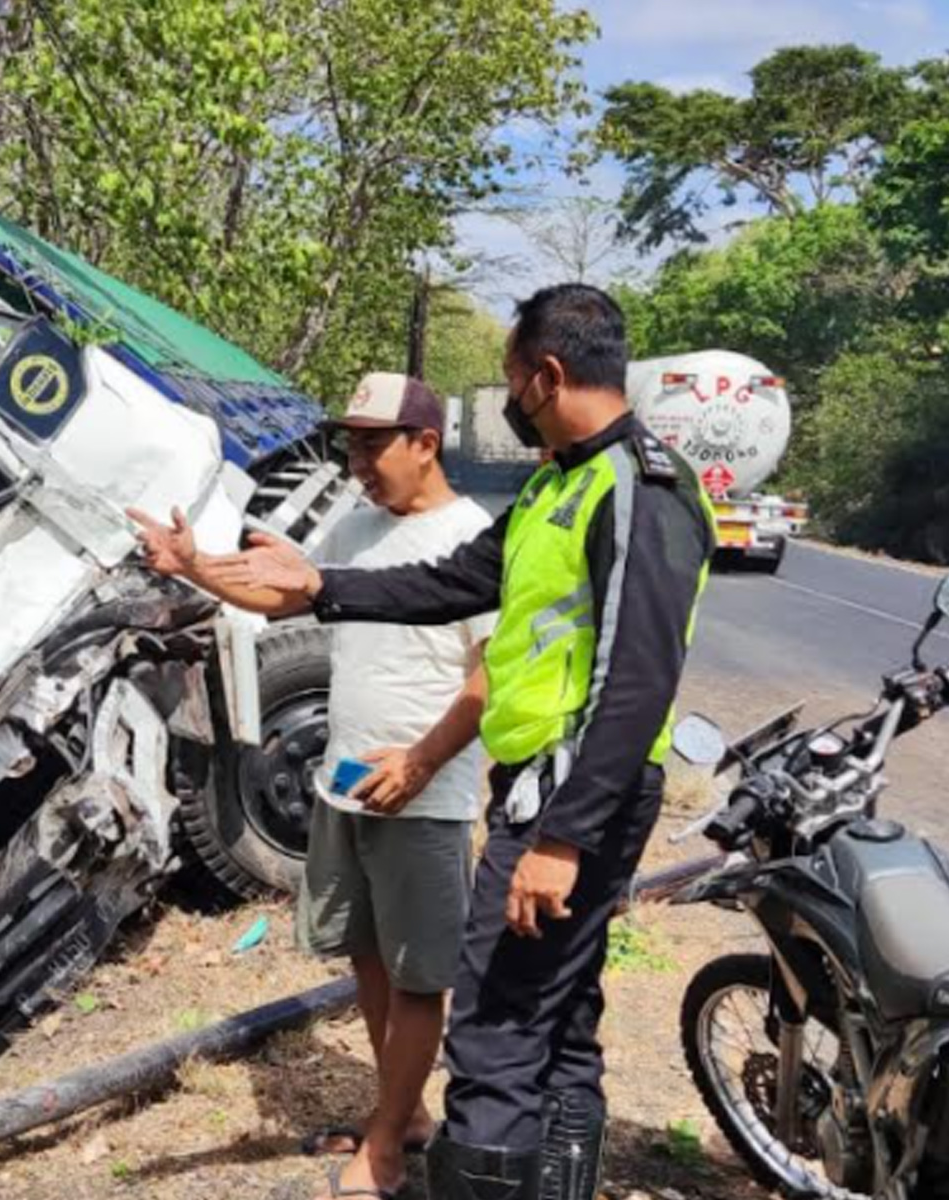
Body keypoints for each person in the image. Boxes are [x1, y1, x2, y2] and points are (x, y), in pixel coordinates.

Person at [207, 286, 715, 1200]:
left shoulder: (637, 489)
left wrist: (562, 839)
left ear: (547, 374)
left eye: (513, 380)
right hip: (538, 786)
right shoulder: (557, 484)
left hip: (573, 796)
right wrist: (320, 587)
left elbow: (637, 682)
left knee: (494, 1028)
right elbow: (448, 583)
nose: (510, 399)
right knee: (557, 1016)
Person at [129, 372, 495, 1200]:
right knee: (367, 957)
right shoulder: (358, 525)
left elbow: (491, 679)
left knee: (417, 977)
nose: (356, 462)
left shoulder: (473, 541)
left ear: (425, 443)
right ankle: (403, 1113)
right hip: (344, 786)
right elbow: (285, 593)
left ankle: (386, 1150)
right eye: (349, 444)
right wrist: (194, 566)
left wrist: (422, 762)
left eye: (372, 445)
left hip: (420, 799)